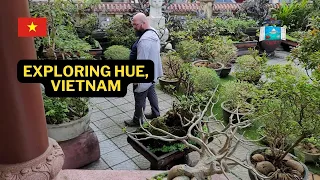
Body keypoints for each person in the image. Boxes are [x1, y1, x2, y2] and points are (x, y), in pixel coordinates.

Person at [124, 13, 163, 127]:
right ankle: (156, 114)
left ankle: (137, 120)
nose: (134, 27)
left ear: (144, 23)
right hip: (152, 71)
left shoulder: (144, 40)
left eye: (136, 25)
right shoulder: (153, 32)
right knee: (151, 92)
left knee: (139, 95)